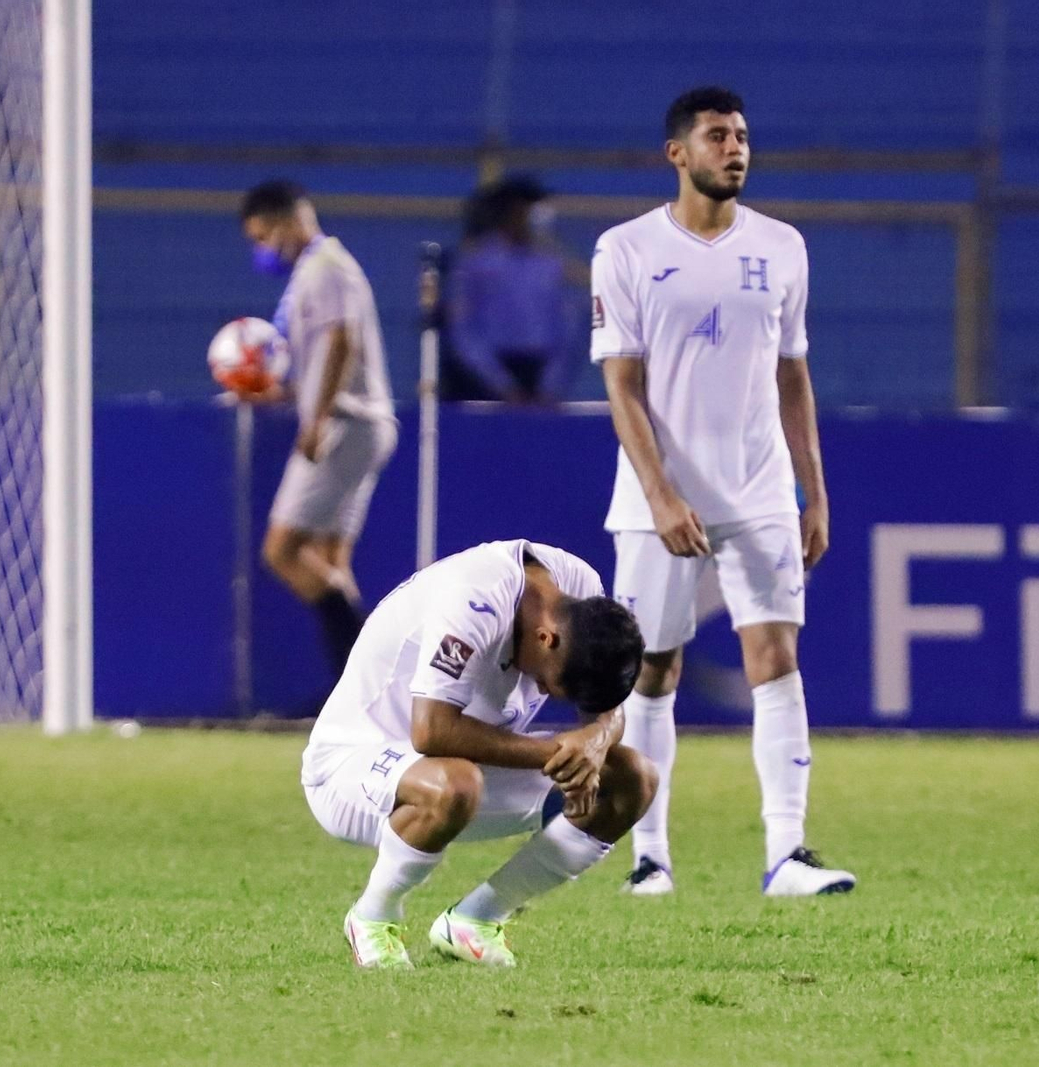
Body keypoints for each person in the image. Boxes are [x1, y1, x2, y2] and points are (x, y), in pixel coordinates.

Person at [590, 86, 854, 897]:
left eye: (741, 136)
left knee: (776, 660)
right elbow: (622, 385)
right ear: (678, 153)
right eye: (717, 136)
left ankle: (787, 856)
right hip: (659, 500)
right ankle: (649, 857)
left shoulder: (783, 248)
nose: (735, 148)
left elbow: (793, 376)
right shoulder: (626, 250)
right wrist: (663, 495)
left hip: (761, 490)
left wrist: (814, 491)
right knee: (652, 671)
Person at [301, 538, 652, 968]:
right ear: (547, 638)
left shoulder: (580, 591)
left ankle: (475, 921)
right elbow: (431, 731)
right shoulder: (475, 600)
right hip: (350, 766)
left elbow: (607, 715)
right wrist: (555, 755)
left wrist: (594, 745)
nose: (541, 691)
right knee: (455, 782)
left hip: (462, 772)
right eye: (551, 685)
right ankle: (373, 917)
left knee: (632, 778)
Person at [240, 180, 398, 675]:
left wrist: (318, 416)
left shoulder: (326, 268)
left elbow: (342, 341)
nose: (263, 250)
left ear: (290, 220)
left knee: (283, 551)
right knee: (331, 561)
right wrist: (285, 394)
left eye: (264, 236)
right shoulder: (319, 270)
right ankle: (361, 692)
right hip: (362, 421)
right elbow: (325, 357)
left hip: (345, 425)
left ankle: (364, 680)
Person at [442, 177, 569, 404]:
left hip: (536, 376)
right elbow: (463, 332)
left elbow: (563, 329)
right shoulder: (476, 262)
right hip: (483, 377)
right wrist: (503, 385)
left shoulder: (550, 264)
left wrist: (549, 385)